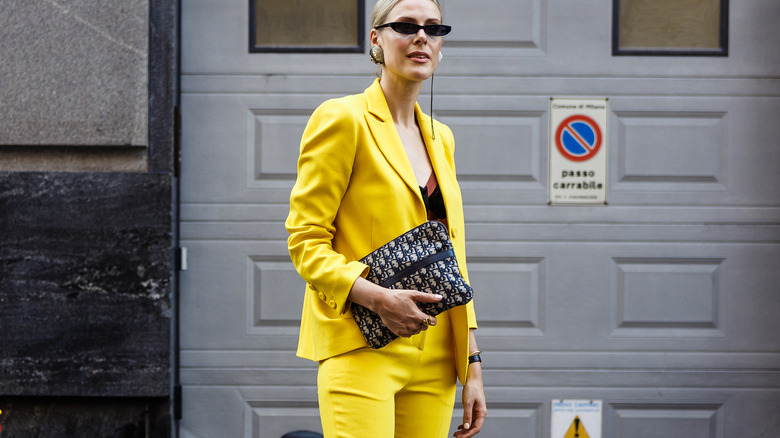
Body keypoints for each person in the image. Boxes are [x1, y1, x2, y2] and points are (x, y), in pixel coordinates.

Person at [285, 0, 487, 436]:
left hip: (435, 354)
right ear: (376, 39)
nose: (421, 37)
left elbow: (454, 257)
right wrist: (378, 298)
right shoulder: (342, 119)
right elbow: (306, 241)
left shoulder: (441, 137)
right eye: (406, 26)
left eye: (433, 29)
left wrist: (471, 365)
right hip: (363, 345)